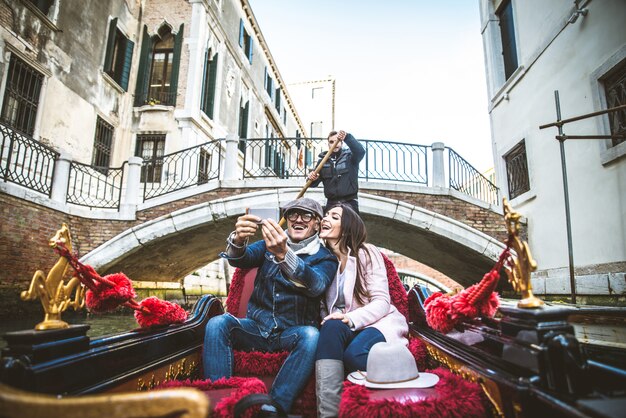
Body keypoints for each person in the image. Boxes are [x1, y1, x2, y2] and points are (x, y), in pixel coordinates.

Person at [203, 197, 338, 417]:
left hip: (292, 333)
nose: (298, 219)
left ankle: (274, 407)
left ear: (316, 223)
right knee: (218, 323)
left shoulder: (325, 257)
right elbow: (240, 259)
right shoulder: (266, 246)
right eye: (293, 214)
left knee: (312, 336)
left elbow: (316, 285)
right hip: (255, 328)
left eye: (306, 215)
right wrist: (238, 239)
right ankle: (221, 403)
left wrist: (284, 255)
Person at [315, 203, 408, 418]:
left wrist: (349, 318)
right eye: (326, 215)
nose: (325, 218)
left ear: (347, 227)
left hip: (379, 321)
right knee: (329, 327)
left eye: (334, 216)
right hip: (346, 325)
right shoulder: (324, 260)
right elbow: (324, 307)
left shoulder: (367, 252)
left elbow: (382, 302)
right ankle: (328, 414)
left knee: (355, 355)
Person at [307, 130, 366, 213]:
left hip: (349, 203)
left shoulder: (350, 157)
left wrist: (347, 137)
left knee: (350, 226)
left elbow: (360, 151)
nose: (335, 144)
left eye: (337, 141)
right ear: (328, 144)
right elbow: (312, 184)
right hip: (331, 204)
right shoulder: (322, 162)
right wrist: (312, 178)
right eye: (331, 142)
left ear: (341, 143)